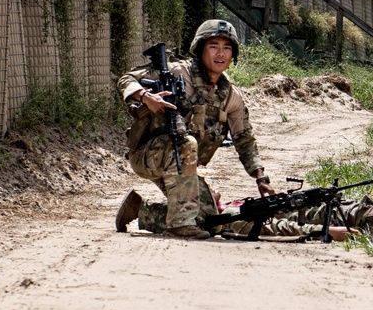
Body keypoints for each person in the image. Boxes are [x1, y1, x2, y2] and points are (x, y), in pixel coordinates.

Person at [115, 19, 275, 239]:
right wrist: (146, 97)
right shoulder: (178, 72)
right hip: (148, 155)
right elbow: (126, 79)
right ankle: (180, 225)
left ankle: (140, 209)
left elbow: (244, 139)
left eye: (227, 48)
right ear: (200, 50)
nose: (221, 54)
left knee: (210, 221)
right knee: (187, 146)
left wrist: (261, 178)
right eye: (214, 46)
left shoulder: (230, 97)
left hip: (183, 166)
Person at [120, 191, 373, 249]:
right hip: (343, 219)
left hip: (342, 208)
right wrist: (323, 231)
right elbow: (280, 229)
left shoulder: (233, 211)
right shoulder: (231, 222)